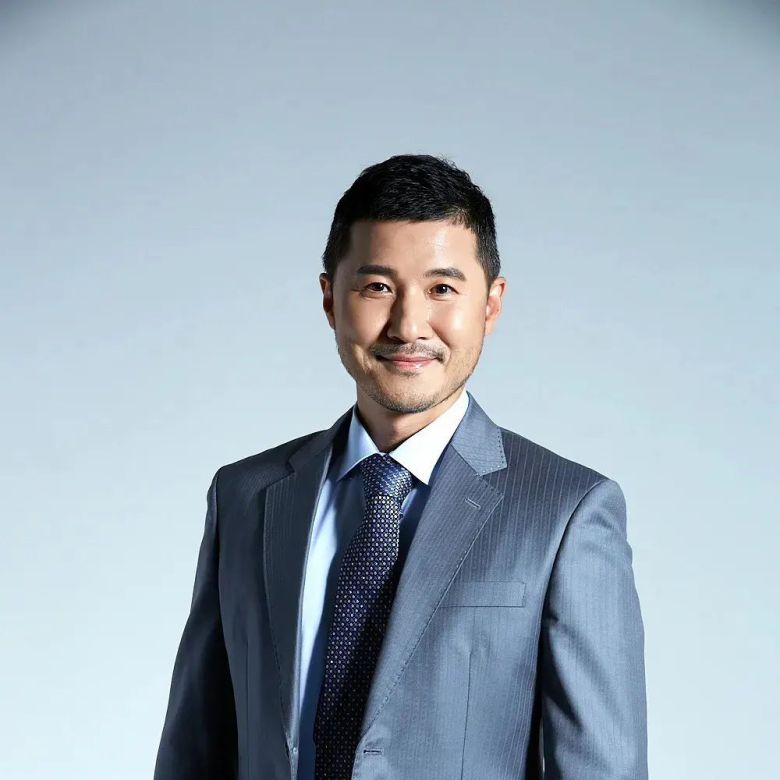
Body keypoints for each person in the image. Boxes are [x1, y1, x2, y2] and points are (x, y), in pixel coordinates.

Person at [153, 154, 648, 779]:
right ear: (330, 299)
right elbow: (195, 749)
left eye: (442, 289)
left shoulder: (567, 512)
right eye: (377, 287)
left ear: (491, 304)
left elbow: (601, 767)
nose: (409, 326)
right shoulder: (246, 497)